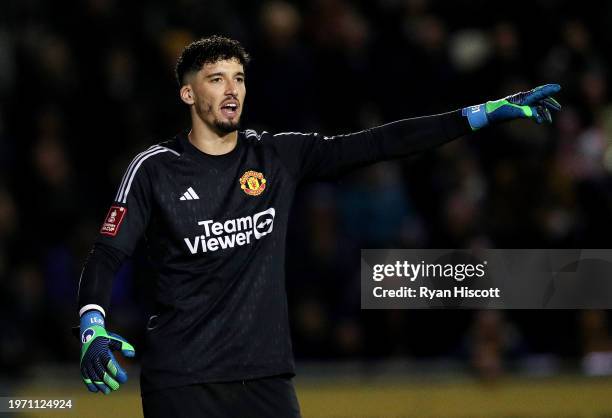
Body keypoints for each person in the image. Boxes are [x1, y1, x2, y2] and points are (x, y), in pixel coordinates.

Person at [76, 35, 562, 418]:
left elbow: (379, 143)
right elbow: (107, 254)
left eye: (239, 78)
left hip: (266, 379)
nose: (232, 90)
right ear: (188, 92)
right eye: (216, 78)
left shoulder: (277, 155)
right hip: (182, 381)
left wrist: (481, 114)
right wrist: (92, 327)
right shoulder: (155, 169)